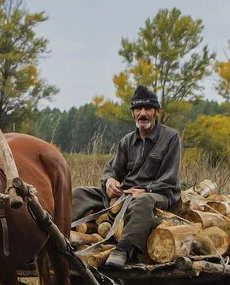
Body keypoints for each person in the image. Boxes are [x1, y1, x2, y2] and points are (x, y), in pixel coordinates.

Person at [72, 84, 181, 269]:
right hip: (127, 193)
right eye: (138, 109)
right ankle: (54, 234)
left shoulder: (171, 137)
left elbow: (169, 178)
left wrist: (146, 189)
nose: (143, 113)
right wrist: (110, 180)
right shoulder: (127, 141)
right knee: (80, 192)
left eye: (148, 108)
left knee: (143, 201)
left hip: (160, 194)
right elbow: (113, 169)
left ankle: (123, 250)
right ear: (133, 113)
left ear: (156, 111)